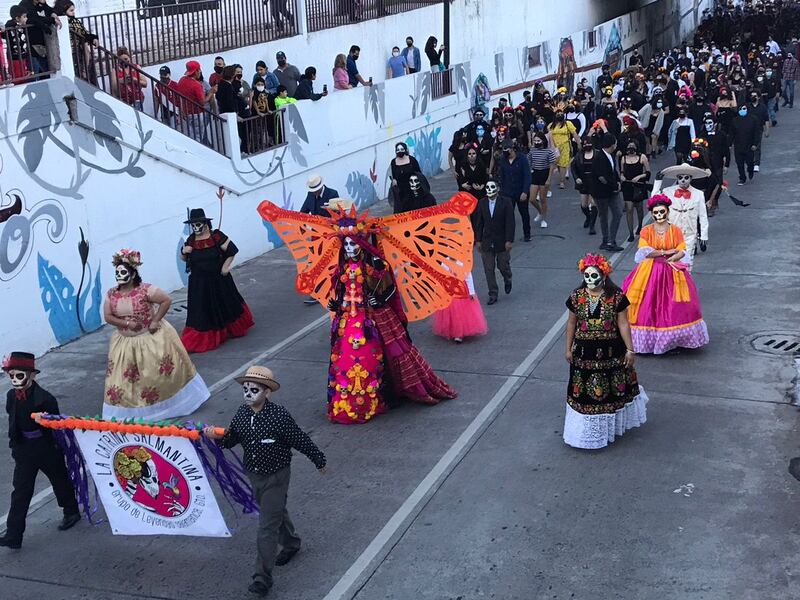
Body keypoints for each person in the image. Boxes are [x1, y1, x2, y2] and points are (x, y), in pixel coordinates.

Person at [203, 366, 326, 597]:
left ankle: (262, 579)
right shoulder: (242, 414)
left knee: (266, 527)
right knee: (275, 512)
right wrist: (217, 437)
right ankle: (291, 543)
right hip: (254, 475)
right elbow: (232, 440)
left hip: (277, 476)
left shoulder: (279, 417)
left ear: (267, 392)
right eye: (246, 389)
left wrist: (318, 459)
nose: (248, 394)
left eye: (254, 390)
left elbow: (300, 439)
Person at [325, 210, 458, 417]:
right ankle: (353, 401)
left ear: (361, 243)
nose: (350, 248)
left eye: (353, 244)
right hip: (349, 320)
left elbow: (391, 289)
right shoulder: (341, 268)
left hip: (375, 317)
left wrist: (379, 299)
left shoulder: (375, 264)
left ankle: (396, 391)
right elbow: (342, 291)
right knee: (347, 360)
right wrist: (336, 305)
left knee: (394, 351)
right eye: (347, 245)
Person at [102, 249, 210, 420]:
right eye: (117, 273)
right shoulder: (111, 294)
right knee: (123, 382)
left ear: (132, 273)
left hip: (150, 340)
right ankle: (132, 413)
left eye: (123, 272)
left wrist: (155, 321)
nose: (119, 276)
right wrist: (127, 324)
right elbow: (108, 316)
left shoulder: (145, 290)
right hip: (125, 344)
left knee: (155, 378)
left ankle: (168, 407)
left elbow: (166, 300)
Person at [563, 255, 648, 450]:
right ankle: (584, 434)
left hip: (612, 353)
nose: (590, 280)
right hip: (583, 354)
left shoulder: (616, 296)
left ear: (603, 275)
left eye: (594, 276)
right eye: (586, 276)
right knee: (583, 394)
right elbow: (571, 323)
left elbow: (623, 323)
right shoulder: (576, 297)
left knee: (610, 393)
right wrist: (568, 349)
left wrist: (630, 350)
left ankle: (606, 432)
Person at [0, 352, 81, 550]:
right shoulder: (11, 396)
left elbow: (57, 427)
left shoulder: (45, 399)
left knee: (59, 480)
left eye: (19, 376)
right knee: (20, 491)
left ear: (32, 375)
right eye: (11, 376)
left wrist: (47, 426)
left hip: (46, 448)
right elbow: (13, 421)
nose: (14, 380)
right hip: (25, 450)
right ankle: (13, 534)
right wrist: (15, 446)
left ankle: (71, 511)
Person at [621, 195, 709, 354]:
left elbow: (681, 248)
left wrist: (675, 255)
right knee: (647, 305)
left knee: (674, 306)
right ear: (652, 214)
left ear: (668, 212)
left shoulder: (675, 230)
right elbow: (645, 251)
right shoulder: (646, 231)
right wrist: (666, 251)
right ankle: (645, 342)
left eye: (662, 212)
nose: (659, 215)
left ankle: (672, 340)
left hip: (672, 271)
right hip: (649, 272)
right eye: (656, 212)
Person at [180, 208, 254, 352]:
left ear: (205, 223)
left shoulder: (217, 236)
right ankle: (204, 337)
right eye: (193, 225)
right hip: (199, 283)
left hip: (218, 279)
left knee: (225, 304)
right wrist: (184, 252)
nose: (196, 228)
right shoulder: (190, 240)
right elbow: (184, 259)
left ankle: (229, 330)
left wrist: (226, 267)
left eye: (198, 224)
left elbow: (232, 250)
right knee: (202, 311)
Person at [656, 163, 710, 266]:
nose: (683, 180)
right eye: (680, 177)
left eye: (686, 177)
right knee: (671, 263)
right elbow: (654, 200)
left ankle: (684, 282)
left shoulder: (698, 194)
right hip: (671, 233)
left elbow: (703, 216)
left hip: (690, 234)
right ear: (677, 178)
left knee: (686, 263)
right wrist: (657, 182)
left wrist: (704, 235)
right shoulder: (668, 191)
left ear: (691, 178)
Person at [474, 180, 514, 305]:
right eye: (487, 187)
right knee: (488, 269)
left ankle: (507, 278)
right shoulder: (482, 203)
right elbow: (479, 223)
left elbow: (510, 222)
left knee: (503, 265)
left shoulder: (506, 202)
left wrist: (509, 240)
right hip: (487, 241)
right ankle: (493, 293)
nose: (489, 190)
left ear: (497, 189)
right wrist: (478, 240)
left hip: (501, 241)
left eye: (492, 187)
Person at [591, 133, 623, 252]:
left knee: (618, 213)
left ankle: (611, 239)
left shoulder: (611, 156)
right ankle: (607, 240)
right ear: (612, 144)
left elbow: (613, 171)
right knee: (603, 215)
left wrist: (618, 181)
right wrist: (614, 185)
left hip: (612, 191)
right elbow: (602, 177)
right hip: (601, 193)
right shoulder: (599, 158)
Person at [497, 139, 532, 242]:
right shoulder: (503, 160)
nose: (505, 152)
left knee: (524, 213)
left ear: (512, 149)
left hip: (521, 191)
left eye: (506, 149)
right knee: (508, 216)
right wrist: (501, 190)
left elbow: (527, 176)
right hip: (508, 192)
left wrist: (525, 191)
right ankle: (508, 237)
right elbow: (501, 176)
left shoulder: (522, 159)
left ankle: (527, 234)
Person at [54, 0, 96, 83]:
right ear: (63, 11)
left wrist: (93, 38)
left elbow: (84, 33)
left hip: (77, 52)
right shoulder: (61, 22)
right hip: (71, 53)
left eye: (73, 10)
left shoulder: (74, 21)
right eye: (71, 10)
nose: (73, 13)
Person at [174, 60, 215, 144]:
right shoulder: (197, 85)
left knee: (190, 136)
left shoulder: (182, 80)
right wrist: (211, 92)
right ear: (196, 71)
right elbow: (202, 102)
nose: (200, 72)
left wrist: (181, 111)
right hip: (197, 114)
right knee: (198, 137)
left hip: (186, 113)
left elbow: (179, 96)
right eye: (199, 70)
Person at [619, 141, 651, 242]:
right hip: (627, 186)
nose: (631, 148)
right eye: (629, 147)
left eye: (633, 147)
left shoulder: (642, 157)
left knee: (639, 208)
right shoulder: (623, 159)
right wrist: (622, 177)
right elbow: (622, 172)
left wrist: (639, 177)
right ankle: (630, 233)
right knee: (629, 209)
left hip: (639, 186)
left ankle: (640, 226)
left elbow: (648, 172)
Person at [21, 0, 60, 74]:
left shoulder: (41, 3)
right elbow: (35, 18)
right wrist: (52, 20)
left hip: (45, 42)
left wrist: (53, 13)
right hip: (34, 43)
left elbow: (48, 9)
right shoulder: (25, 4)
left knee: (48, 69)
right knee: (40, 70)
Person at [527, 132, 556, 228]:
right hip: (535, 173)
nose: (536, 142)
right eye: (535, 140)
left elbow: (552, 165)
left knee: (543, 199)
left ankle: (543, 219)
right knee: (532, 199)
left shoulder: (549, 151)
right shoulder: (532, 150)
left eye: (538, 140)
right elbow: (529, 160)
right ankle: (540, 211)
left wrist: (549, 179)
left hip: (544, 173)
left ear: (543, 141)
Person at [570, 137, 597, 235]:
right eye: (584, 144)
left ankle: (592, 225)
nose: (586, 146)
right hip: (583, 181)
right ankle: (588, 217)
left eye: (588, 143)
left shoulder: (597, 154)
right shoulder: (579, 155)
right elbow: (573, 167)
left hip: (594, 182)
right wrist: (576, 178)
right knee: (584, 205)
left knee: (594, 203)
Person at [549, 108, 581, 189]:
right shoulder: (551, 125)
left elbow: (574, 134)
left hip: (565, 146)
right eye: (557, 113)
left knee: (563, 164)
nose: (559, 115)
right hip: (555, 147)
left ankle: (562, 182)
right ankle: (562, 177)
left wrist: (579, 144)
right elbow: (549, 136)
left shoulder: (568, 124)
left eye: (561, 113)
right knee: (557, 164)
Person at [729, 102, 760, 185]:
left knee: (750, 162)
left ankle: (750, 170)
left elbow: (757, 133)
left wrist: (755, 144)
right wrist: (729, 144)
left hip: (749, 145)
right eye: (740, 109)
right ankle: (742, 178)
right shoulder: (734, 121)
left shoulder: (753, 119)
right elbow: (732, 133)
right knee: (739, 163)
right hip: (738, 145)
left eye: (744, 109)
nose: (742, 110)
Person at [110, 46, 147, 111]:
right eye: (122, 60)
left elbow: (145, 84)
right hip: (123, 99)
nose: (125, 61)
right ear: (119, 60)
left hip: (137, 97)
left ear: (129, 57)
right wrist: (121, 81)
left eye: (126, 59)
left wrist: (135, 79)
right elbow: (114, 88)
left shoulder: (136, 67)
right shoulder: (115, 70)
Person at [389, 141, 421, 212]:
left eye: (401, 149)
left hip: (412, 187)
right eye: (398, 150)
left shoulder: (412, 160)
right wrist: (393, 180)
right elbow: (393, 174)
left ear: (405, 150)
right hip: (401, 190)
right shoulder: (393, 162)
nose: (400, 151)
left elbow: (418, 173)